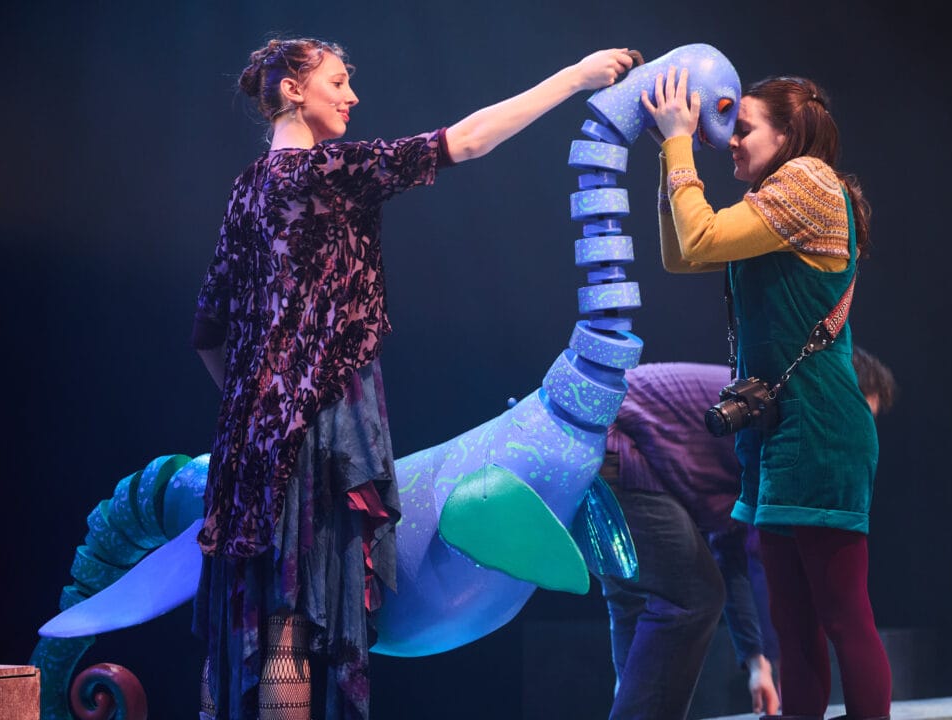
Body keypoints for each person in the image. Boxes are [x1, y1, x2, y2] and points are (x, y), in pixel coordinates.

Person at [190, 37, 634, 720]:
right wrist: (573, 79)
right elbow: (467, 141)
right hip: (319, 427)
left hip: (250, 437)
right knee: (296, 622)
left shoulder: (248, 188)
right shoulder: (329, 170)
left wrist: (262, 411)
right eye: (338, 82)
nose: (352, 96)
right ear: (291, 91)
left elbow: (210, 333)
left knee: (270, 615)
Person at [641, 69, 891, 720]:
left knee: (841, 616)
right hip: (777, 432)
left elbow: (699, 237)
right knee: (793, 624)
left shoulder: (807, 182)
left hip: (820, 432)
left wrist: (679, 146)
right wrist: (671, 155)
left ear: (788, 136)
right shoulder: (771, 201)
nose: (730, 138)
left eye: (743, 126)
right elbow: (682, 252)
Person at [597, 362, 780, 720]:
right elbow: (749, 559)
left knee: (636, 595)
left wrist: (758, 664)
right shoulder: (774, 413)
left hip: (588, 449)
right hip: (612, 446)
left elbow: (730, 555)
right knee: (692, 594)